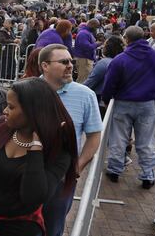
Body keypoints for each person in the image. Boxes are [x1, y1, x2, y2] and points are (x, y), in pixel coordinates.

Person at [0, 78, 78, 236]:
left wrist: (35, 148)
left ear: (33, 112)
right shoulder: (1, 126)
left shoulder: (58, 149)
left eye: (11, 107)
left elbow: (32, 197)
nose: (5, 111)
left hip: (20, 230)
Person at [38, 43, 103, 236]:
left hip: (62, 177)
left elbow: (94, 135)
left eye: (71, 61)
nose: (70, 66)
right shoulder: (27, 91)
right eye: (64, 61)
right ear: (45, 66)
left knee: (53, 227)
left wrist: (78, 166)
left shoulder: (85, 95)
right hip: (26, 173)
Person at [102, 26, 155, 188]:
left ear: (127, 39)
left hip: (123, 103)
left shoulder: (120, 59)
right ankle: (147, 174)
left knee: (118, 138)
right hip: (147, 103)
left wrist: (107, 99)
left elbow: (109, 83)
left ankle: (115, 170)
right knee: (146, 141)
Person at [83, 36, 125, 116]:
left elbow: (90, 82)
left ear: (107, 48)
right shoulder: (122, 61)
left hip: (102, 102)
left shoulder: (104, 63)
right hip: (119, 101)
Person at [74, 19, 101, 83]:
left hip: (86, 59)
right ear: (92, 24)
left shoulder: (87, 32)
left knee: (84, 78)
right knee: (83, 80)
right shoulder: (83, 33)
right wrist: (97, 44)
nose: (96, 29)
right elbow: (86, 47)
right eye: (96, 27)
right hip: (84, 59)